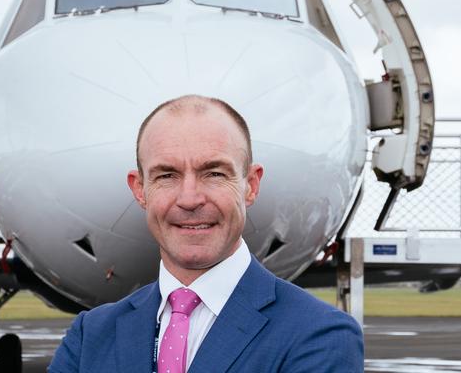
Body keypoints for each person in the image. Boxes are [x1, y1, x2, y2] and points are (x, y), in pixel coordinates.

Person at [48, 95, 363, 373]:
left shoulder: (319, 334)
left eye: (214, 173)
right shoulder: (90, 335)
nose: (189, 199)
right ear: (140, 189)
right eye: (167, 175)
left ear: (250, 185)